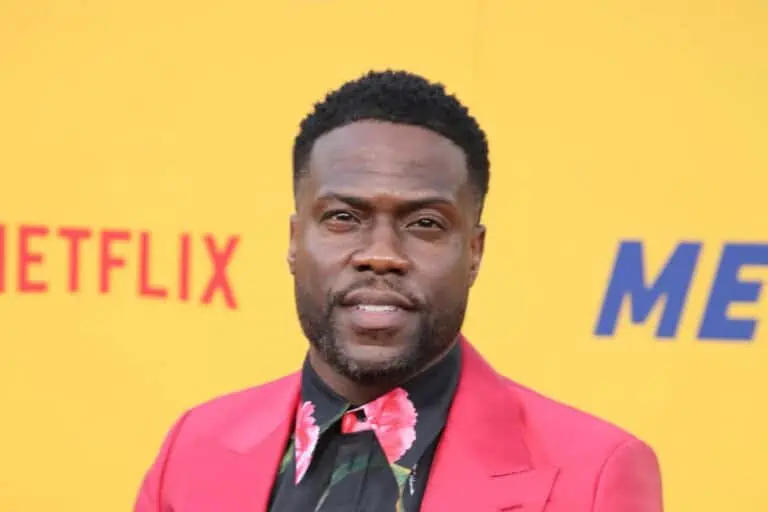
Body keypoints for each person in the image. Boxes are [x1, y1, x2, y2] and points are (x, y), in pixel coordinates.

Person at [133, 70, 663, 512]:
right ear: (294, 241)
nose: (381, 254)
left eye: (425, 223)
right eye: (343, 217)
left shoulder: (593, 477)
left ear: (474, 252)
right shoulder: (193, 449)